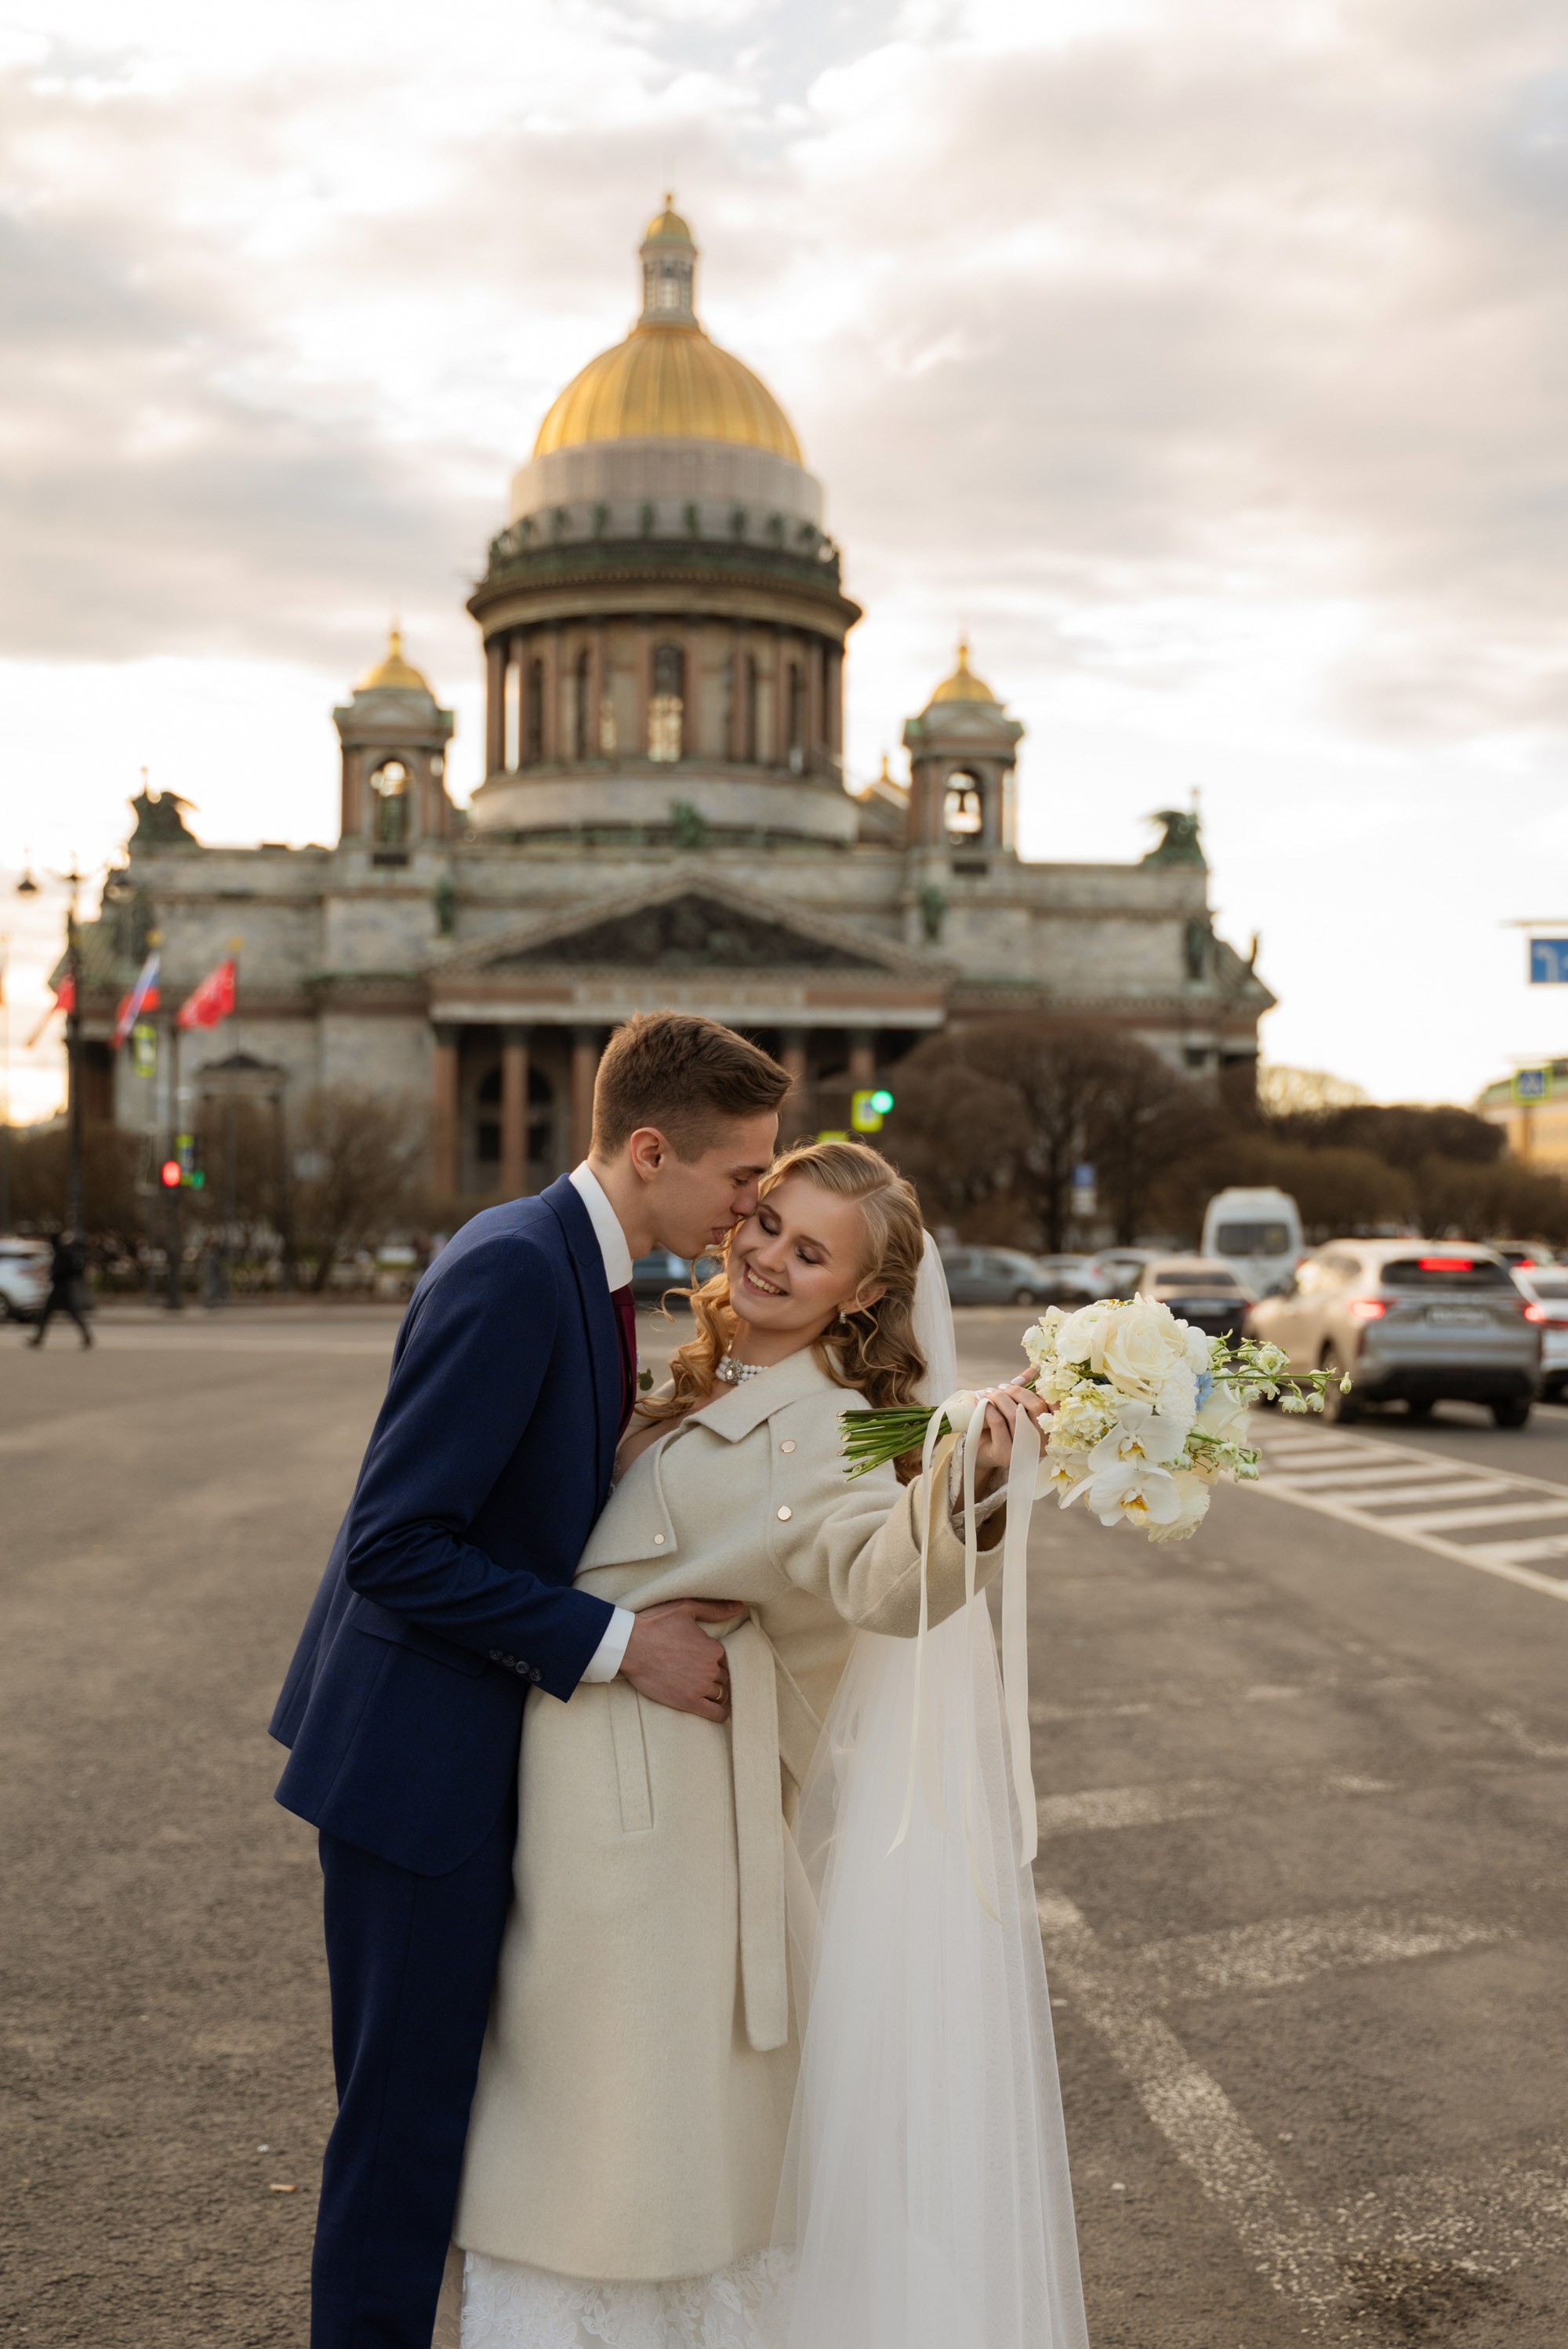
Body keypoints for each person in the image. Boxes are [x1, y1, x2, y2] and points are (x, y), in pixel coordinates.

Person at [446, 1141, 1088, 2349]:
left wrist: (975, 1484)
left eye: (811, 1252)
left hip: (657, 1851)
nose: (769, 1257)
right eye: (769, 1223)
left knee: (620, 2173)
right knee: (600, 2148)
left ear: (859, 1296)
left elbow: (880, 1573)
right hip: (596, 1826)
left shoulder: (828, 1429)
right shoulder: (697, 1382)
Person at [268, 1011, 792, 2349]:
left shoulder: (584, 1262)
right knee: (401, 2138)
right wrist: (624, 1648)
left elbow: (798, 1420)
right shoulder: (514, 1267)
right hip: (417, 1771)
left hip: (468, 1754)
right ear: (654, 1149)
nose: (754, 1209)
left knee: (447, 2119)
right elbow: (396, 1544)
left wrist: (978, 1433)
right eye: (742, 1180)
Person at [28, 1229, 93, 1349]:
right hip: (63, 1288)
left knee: (48, 1314)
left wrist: (52, 1276)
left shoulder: (61, 1253)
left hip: (60, 1289)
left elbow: (60, 1271)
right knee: (69, 1314)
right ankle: (87, 1337)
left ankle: (38, 1338)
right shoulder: (64, 1252)